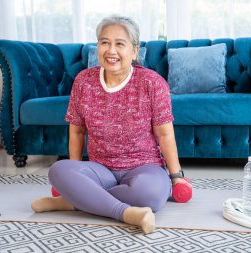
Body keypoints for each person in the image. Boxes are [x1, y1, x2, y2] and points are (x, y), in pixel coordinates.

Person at [31, 15, 189, 234]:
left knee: (151, 195)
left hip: (144, 168)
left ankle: (78, 201)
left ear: (134, 51)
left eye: (119, 44)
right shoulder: (84, 81)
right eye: (104, 42)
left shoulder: (152, 83)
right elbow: (76, 131)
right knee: (58, 170)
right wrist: (76, 170)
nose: (111, 51)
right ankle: (128, 213)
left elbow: (165, 135)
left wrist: (176, 178)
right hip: (101, 169)